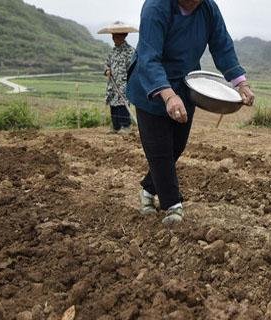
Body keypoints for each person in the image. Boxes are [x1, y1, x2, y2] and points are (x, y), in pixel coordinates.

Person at [126, 0, 255, 225]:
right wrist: (167, 95)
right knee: (160, 150)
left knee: (177, 145)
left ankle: (148, 190)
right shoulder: (156, 7)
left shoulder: (208, 8)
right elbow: (149, 57)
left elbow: (222, 44)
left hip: (186, 86)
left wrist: (240, 83)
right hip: (151, 86)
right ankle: (173, 206)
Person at [103, 22, 137, 134]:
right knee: (113, 104)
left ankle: (125, 126)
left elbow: (134, 68)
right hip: (112, 84)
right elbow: (106, 64)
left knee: (122, 104)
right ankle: (116, 127)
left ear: (124, 36)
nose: (114, 38)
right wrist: (107, 70)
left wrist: (130, 82)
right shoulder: (113, 51)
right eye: (113, 36)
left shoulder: (130, 51)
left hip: (124, 84)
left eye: (116, 36)